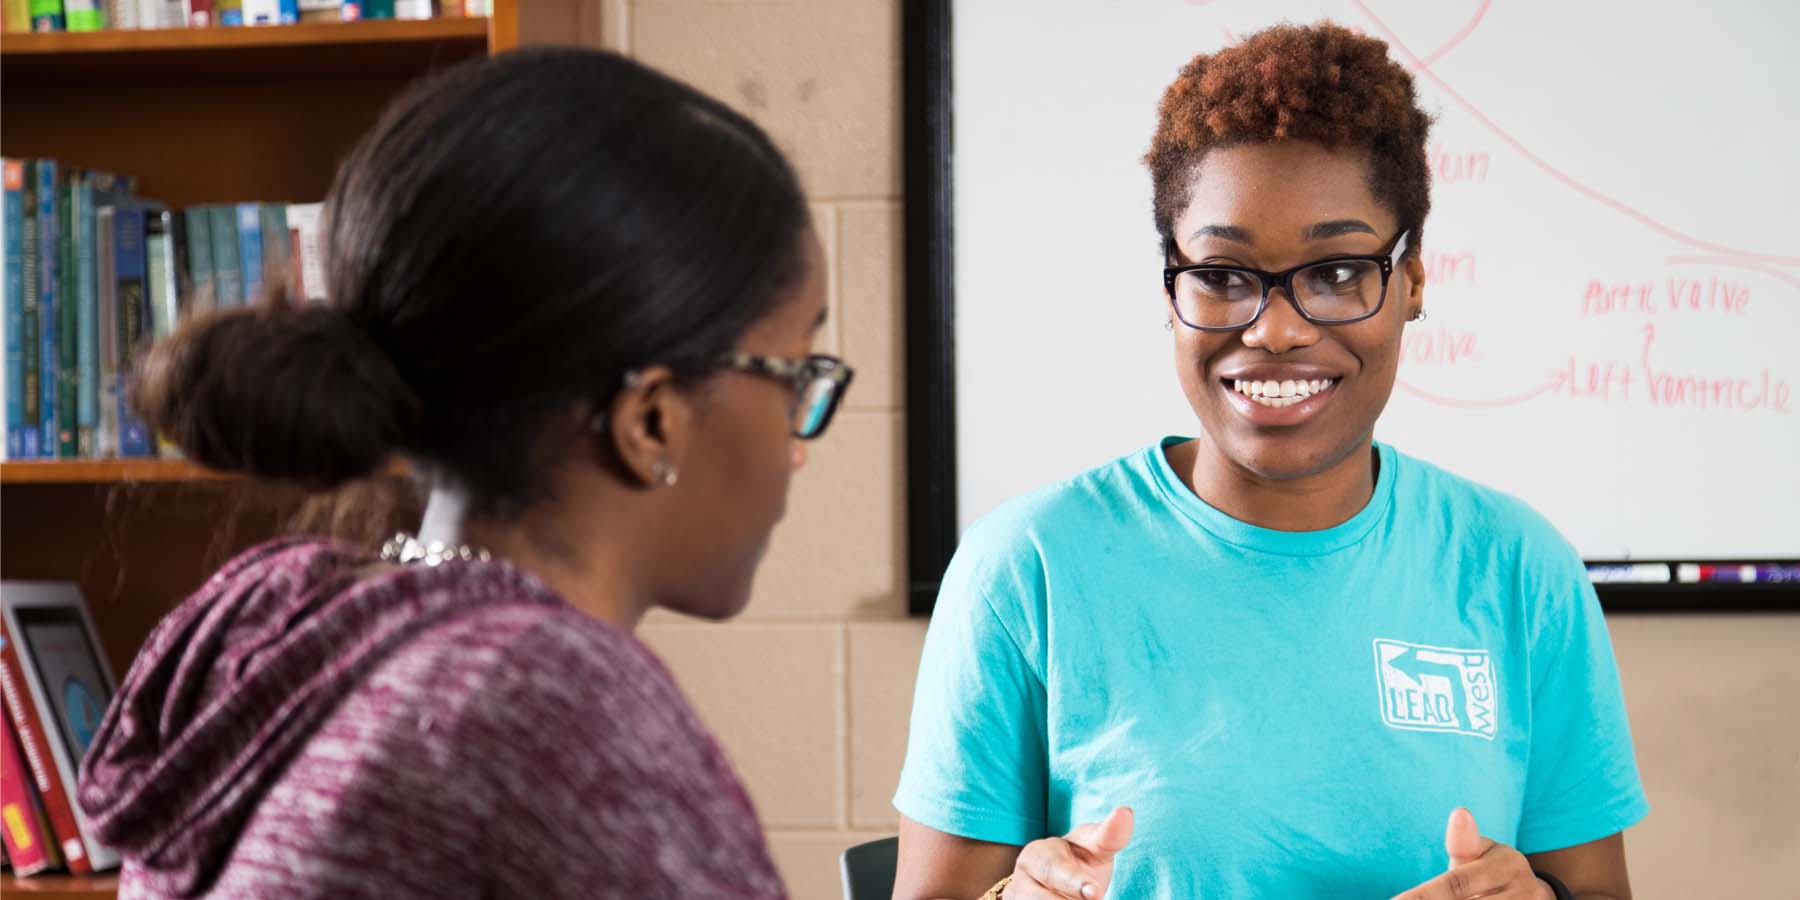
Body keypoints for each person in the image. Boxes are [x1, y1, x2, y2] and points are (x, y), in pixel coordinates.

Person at [74, 48, 854, 899]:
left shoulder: (281, 627)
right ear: (651, 420)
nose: (798, 444)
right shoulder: (552, 703)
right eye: (795, 372)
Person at [892, 23, 1644, 900]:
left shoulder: (1518, 568)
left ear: (1411, 285)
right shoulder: (1024, 569)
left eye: (1335, 272)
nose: (1276, 329)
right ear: (1170, 290)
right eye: (1222, 273)